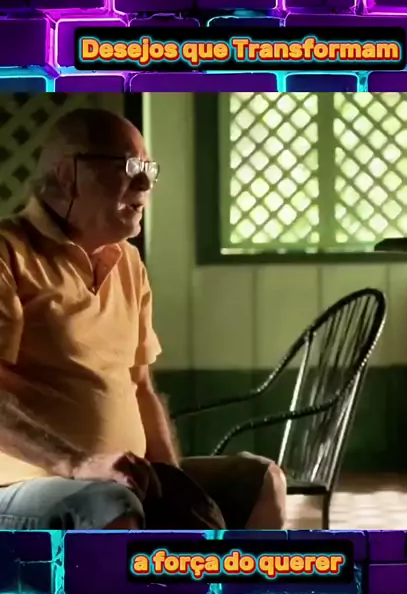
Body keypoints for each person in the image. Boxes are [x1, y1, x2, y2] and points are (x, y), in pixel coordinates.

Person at [0, 108, 287, 530]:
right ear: (67, 175)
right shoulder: (9, 253)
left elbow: (141, 387)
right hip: (28, 484)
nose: (146, 184)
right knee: (110, 504)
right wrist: (77, 463)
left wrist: (176, 484)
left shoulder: (129, 263)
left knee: (260, 479)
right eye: (130, 168)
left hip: (126, 478)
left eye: (149, 170)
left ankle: (238, 580)